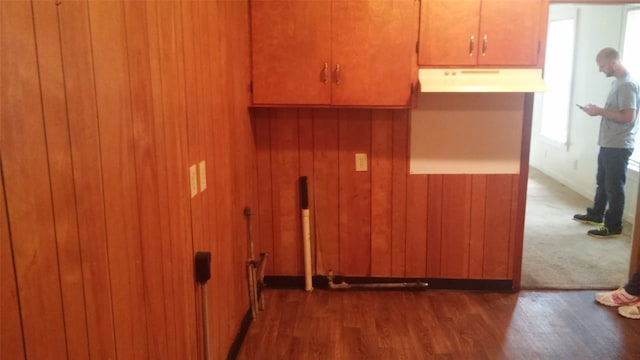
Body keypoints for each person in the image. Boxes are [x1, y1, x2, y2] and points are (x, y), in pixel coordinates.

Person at [573, 47, 640, 238]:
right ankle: (596, 214)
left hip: (619, 144)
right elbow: (617, 112)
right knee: (602, 181)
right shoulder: (618, 82)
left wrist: (600, 111)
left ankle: (613, 226)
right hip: (609, 142)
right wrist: (596, 110)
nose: (600, 70)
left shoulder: (627, 84)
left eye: (602, 66)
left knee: (614, 186)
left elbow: (628, 117)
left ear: (613, 62)